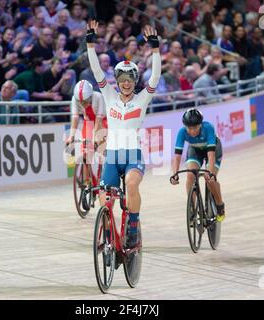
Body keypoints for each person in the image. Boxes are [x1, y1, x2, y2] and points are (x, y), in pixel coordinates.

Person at [86, 20, 161, 249]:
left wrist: (155, 50)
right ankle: (108, 229)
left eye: (130, 80)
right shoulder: (109, 95)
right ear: (117, 83)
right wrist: (90, 44)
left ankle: (132, 225)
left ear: (135, 82)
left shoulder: (142, 99)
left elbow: (155, 78)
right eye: (122, 80)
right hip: (112, 156)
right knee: (104, 197)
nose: (126, 84)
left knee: (131, 184)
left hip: (132, 155)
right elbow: (97, 70)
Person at [170, 108, 225, 222]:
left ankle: (220, 206)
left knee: (210, 179)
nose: (192, 131)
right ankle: (192, 209)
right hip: (195, 151)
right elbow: (177, 156)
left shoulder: (208, 128)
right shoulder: (182, 132)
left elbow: (211, 155)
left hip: (213, 151)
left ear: (200, 125)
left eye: (195, 127)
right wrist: (175, 174)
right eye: (189, 128)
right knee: (190, 175)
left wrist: (210, 173)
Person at [66, 80, 108, 188]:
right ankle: (88, 181)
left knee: (100, 142)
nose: (83, 104)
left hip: (102, 121)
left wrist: (95, 137)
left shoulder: (98, 97)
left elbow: (99, 121)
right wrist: (71, 136)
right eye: (80, 102)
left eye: (85, 101)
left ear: (90, 96)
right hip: (88, 122)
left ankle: (105, 168)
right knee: (86, 153)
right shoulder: (75, 100)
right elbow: (75, 119)